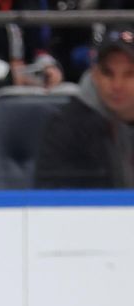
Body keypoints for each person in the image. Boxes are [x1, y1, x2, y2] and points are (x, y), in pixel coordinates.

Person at [35, 26, 134, 189]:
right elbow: (50, 201)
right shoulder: (66, 126)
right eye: (108, 73)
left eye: (129, 74)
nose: (117, 85)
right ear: (94, 74)